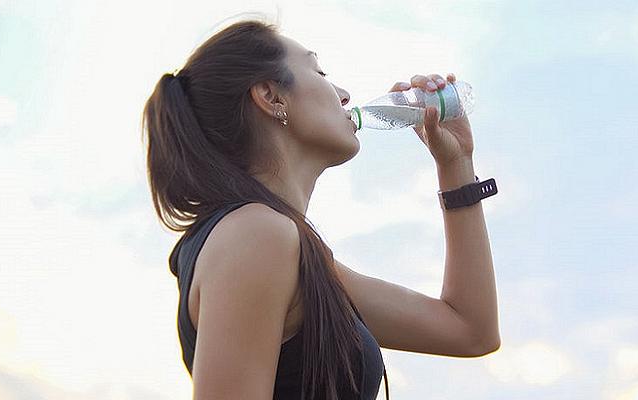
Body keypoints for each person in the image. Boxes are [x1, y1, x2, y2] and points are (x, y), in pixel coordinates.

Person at [141, 17, 500, 400]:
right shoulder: (257, 235)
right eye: (319, 71)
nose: (344, 95)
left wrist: (456, 163)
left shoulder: (288, 248)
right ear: (272, 97)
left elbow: (470, 330)